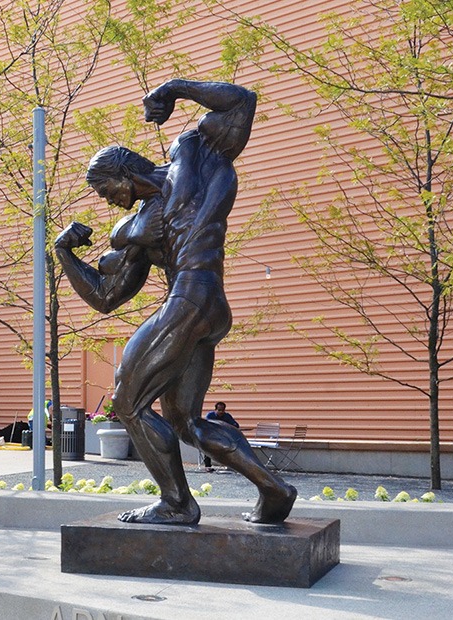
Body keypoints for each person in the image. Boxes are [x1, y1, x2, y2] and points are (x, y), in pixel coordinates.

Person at [55, 78, 296, 524]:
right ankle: (274, 489)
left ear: (123, 174)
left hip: (190, 297)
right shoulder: (138, 228)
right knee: (185, 423)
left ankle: (178, 504)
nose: (109, 203)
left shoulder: (195, 155)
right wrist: (65, 254)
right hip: (208, 307)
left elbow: (242, 102)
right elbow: (106, 298)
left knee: (127, 404)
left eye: (107, 192)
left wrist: (174, 89)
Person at [202, 402, 239, 472]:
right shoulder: (210, 415)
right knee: (207, 446)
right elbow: (207, 425)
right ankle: (207, 466)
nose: (221, 412)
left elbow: (236, 425)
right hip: (211, 436)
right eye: (219, 410)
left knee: (232, 445)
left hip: (223, 437)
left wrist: (230, 425)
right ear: (215, 410)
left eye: (222, 410)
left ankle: (231, 464)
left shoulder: (227, 416)